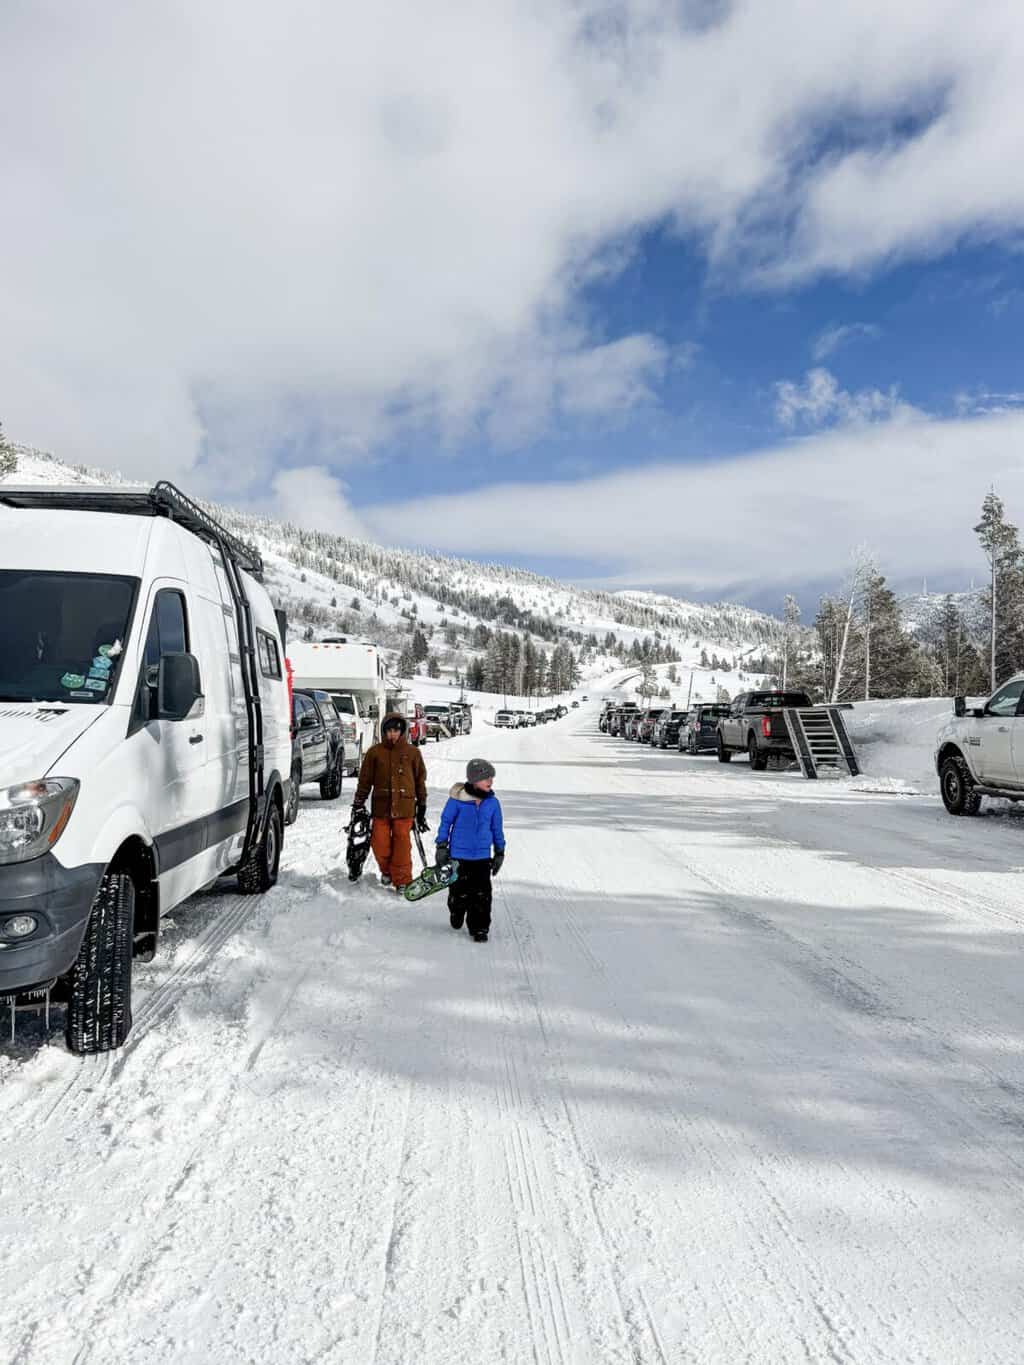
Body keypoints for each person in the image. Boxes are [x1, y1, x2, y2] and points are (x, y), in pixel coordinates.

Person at [351, 713, 428, 892]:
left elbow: (419, 781)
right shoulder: (375, 752)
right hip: (381, 808)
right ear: (383, 731)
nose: (392, 734)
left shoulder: (412, 753)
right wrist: (358, 803)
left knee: (402, 846)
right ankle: (387, 871)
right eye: (389, 731)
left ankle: (402, 881)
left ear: (403, 732)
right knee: (380, 844)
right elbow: (364, 781)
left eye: (396, 731)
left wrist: (422, 804)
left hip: (405, 807)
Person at [436, 758, 505, 942]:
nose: (490, 781)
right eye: (486, 778)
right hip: (459, 856)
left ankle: (480, 927)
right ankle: (456, 910)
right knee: (460, 892)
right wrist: (441, 845)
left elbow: (497, 829)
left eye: (492, 777)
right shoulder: (457, 801)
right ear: (474, 779)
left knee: (482, 895)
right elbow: (445, 823)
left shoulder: (493, 803)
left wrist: (499, 851)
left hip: (482, 857)